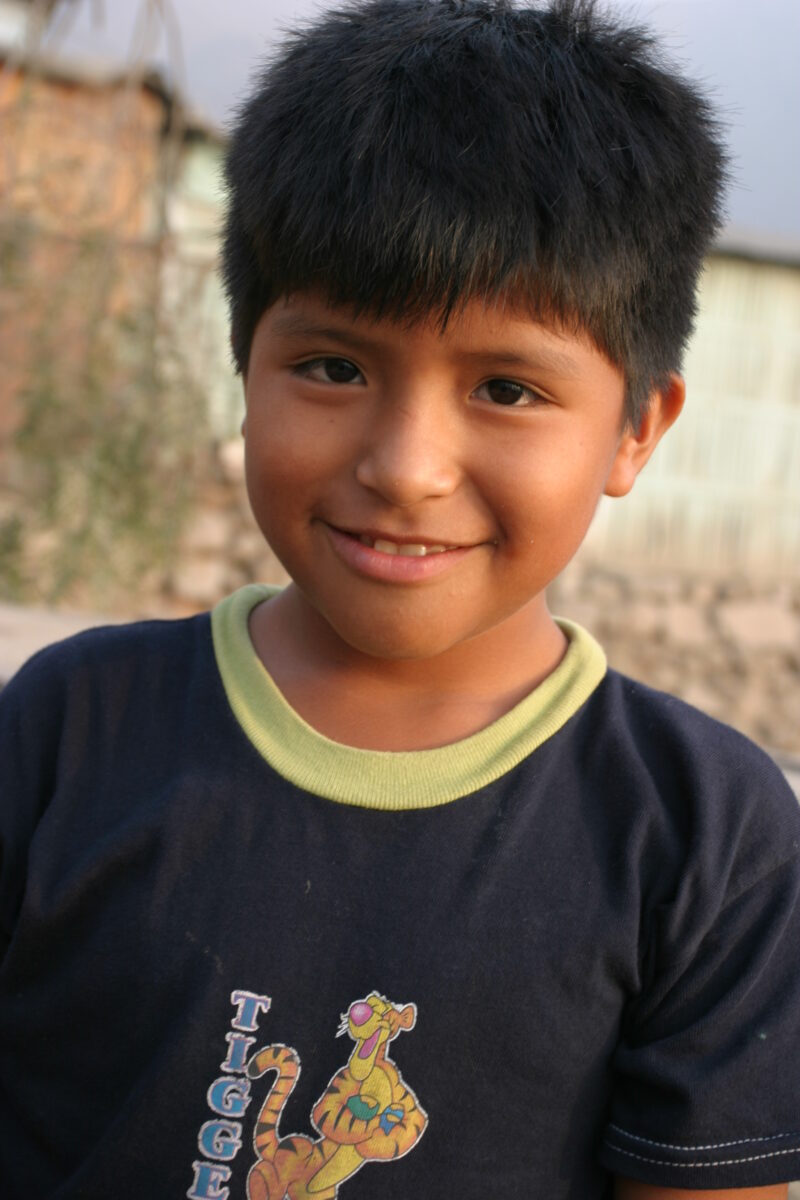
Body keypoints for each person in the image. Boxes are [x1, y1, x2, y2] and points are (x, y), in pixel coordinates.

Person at [1, 0, 798, 1196]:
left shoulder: (702, 837)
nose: (404, 465)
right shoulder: (68, 728)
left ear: (635, 430)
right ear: (244, 369)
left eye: (508, 389)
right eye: (332, 367)